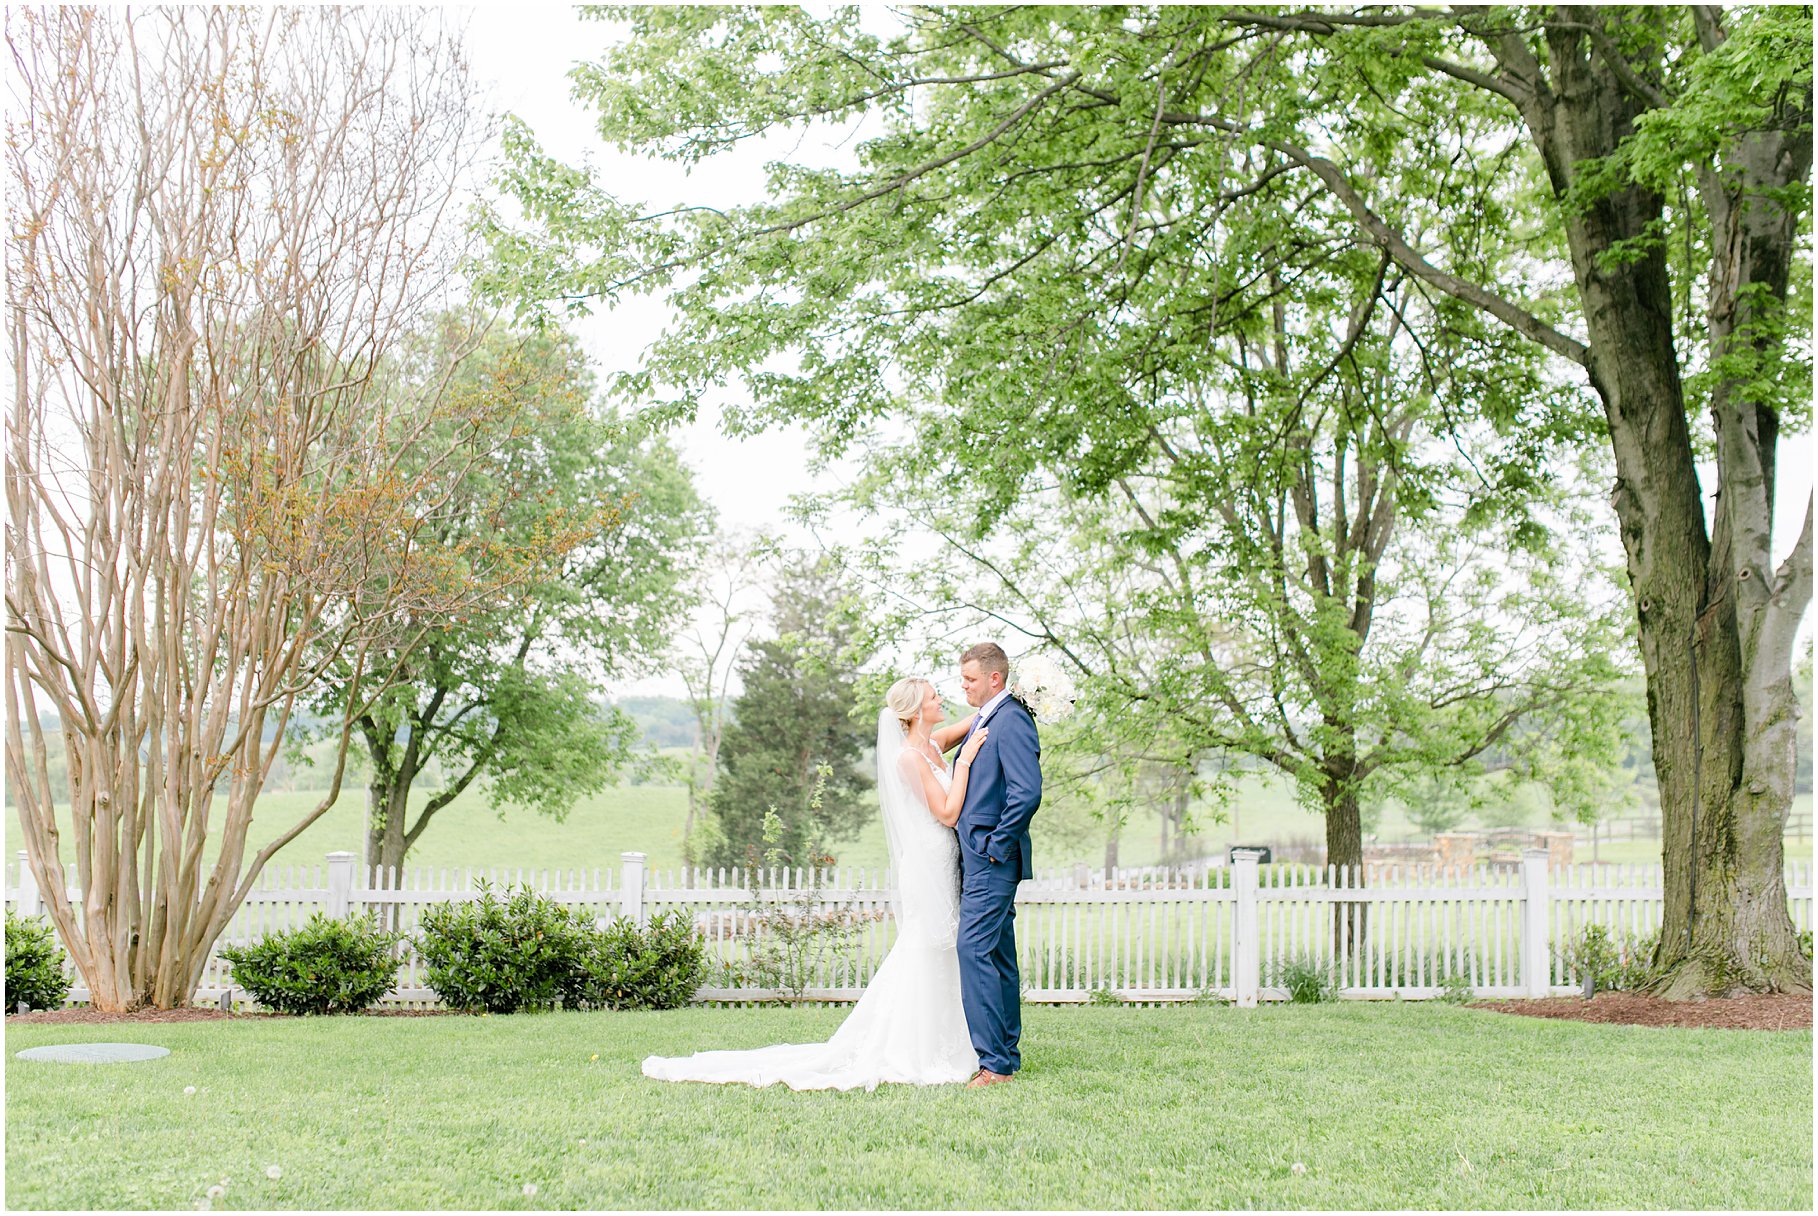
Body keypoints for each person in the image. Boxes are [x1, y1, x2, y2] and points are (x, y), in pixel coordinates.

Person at [640, 676, 984, 1090]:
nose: (941, 698)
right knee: (926, 946)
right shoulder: (910, 757)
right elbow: (947, 813)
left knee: (944, 949)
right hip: (927, 863)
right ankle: (914, 1048)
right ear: (914, 711)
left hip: (943, 863)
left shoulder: (931, 743)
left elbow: (971, 721)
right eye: (933, 696)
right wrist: (964, 764)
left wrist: (1008, 698)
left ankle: (949, 1042)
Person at [950, 641, 1041, 1089]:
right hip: (982, 857)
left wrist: (994, 845)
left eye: (969, 679)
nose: (962, 686)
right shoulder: (988, 718)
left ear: (994, 679)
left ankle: (995, 1066)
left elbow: (1026, 793)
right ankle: (1007, 1053)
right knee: (999, 952)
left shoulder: (1012, 721)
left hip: (992, 858)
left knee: (974, 950)